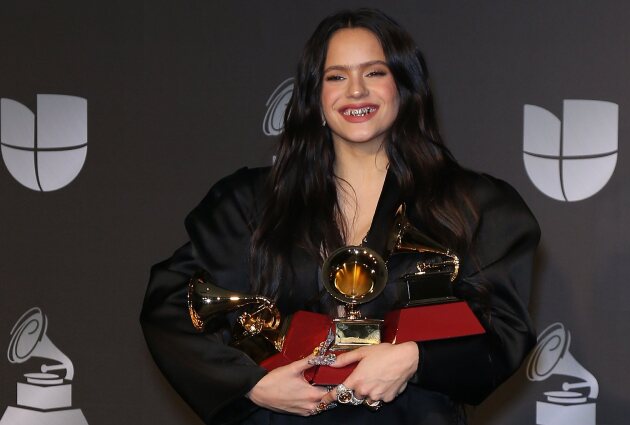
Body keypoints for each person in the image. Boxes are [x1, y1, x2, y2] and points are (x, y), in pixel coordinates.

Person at [140, 8, 540, 425]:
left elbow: (504, 332)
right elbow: (172, 304)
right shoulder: (250, 202)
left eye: (374, 73)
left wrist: (415, 359)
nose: (355, 91)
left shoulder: (470, 204)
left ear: (405, 86)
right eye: (336, 77)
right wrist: (250, 384)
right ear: (314, 95)